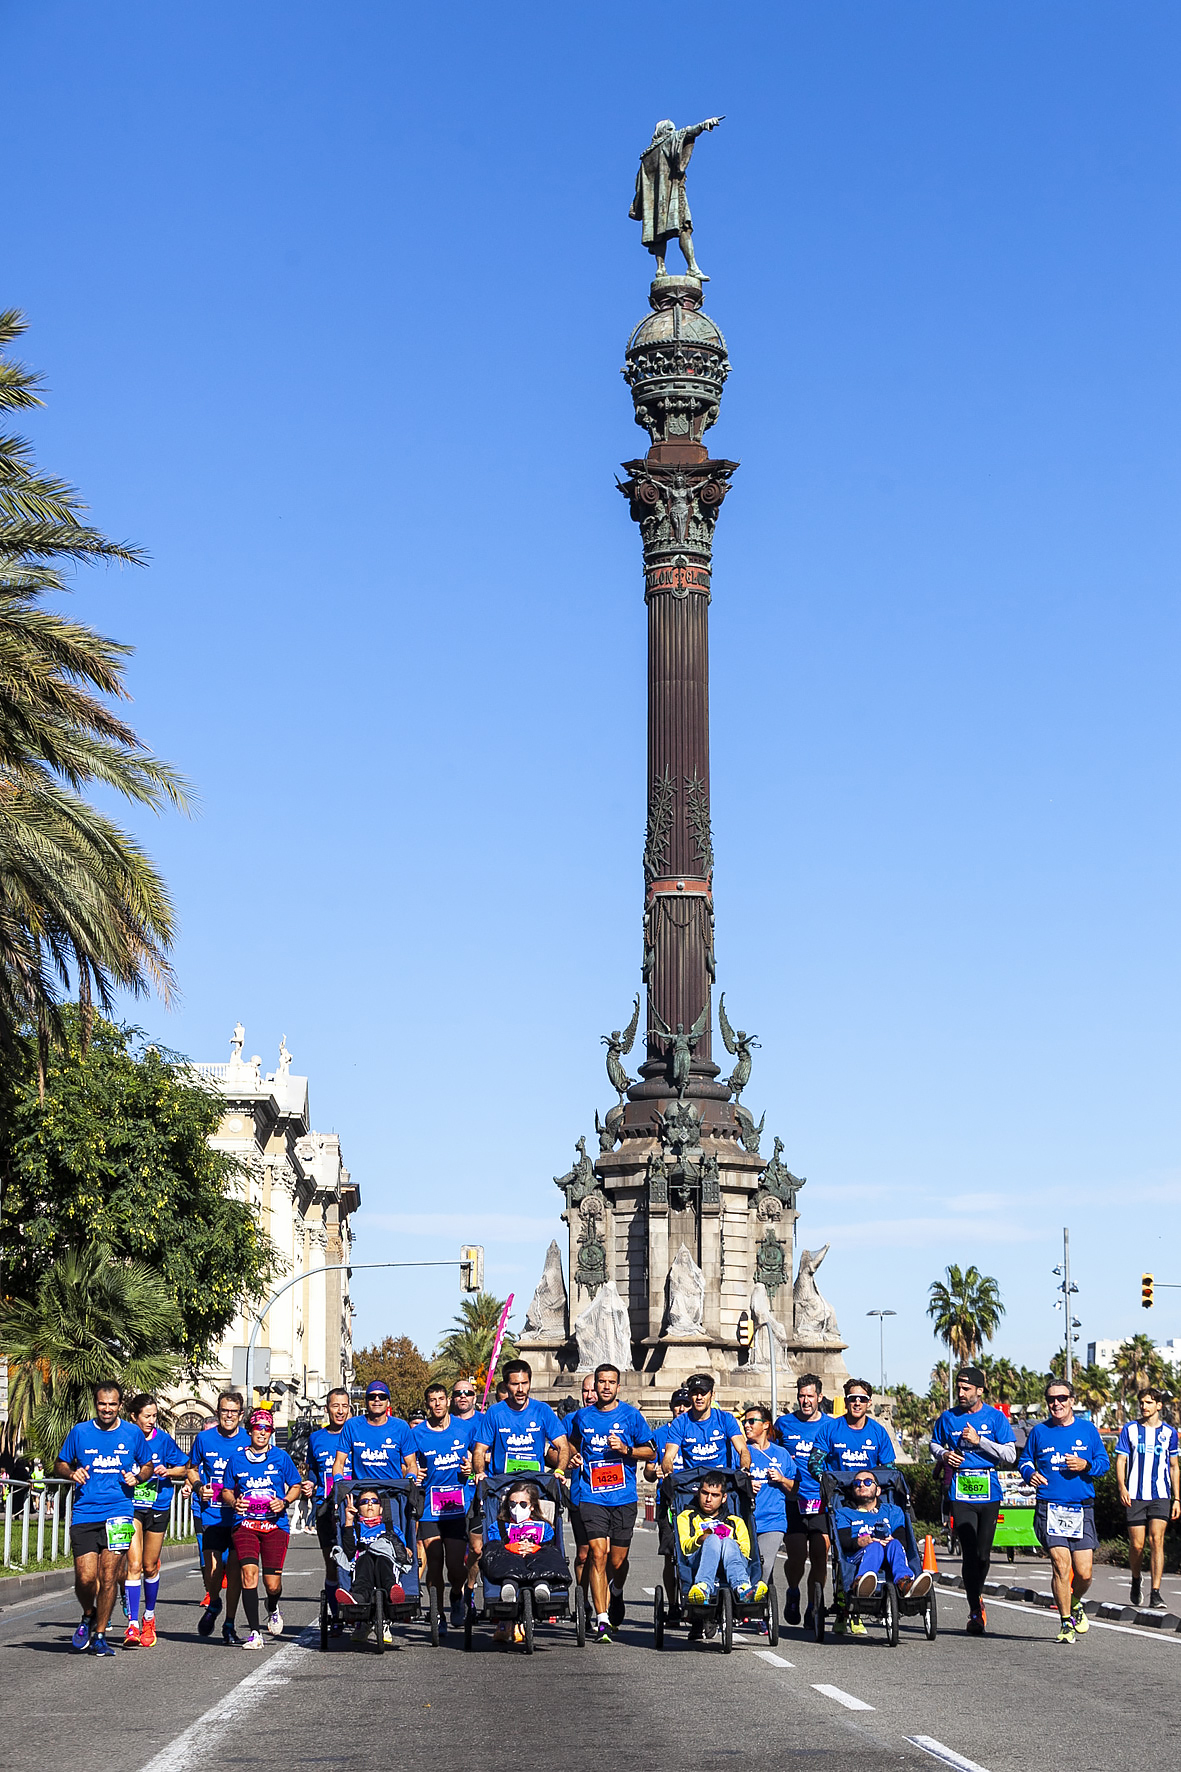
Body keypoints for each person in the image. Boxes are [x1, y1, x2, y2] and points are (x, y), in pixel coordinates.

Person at [54, 1379, 153, 1657]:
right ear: (95, 1404)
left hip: (119, 1512)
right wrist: (71, 1473)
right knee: (85, 1579)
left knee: (108, 1576)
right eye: (102, 1404)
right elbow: (61, 1462)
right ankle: (89, 1614)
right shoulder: (80, 1432)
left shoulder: (133, 1433)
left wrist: (139, 1476)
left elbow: (147, 1464)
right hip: (86, 1512)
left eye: (112, 1404)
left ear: (120, 1406)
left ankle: (99, 1635)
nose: (107, 1409)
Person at [1019, 1379, 1110, 1644]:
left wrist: (1086, 1464)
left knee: (1084, 1573)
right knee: (1061, 1565)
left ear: (1072, 1400)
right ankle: (1065, 1622)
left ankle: (1076, 1601)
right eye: (1051, 1399)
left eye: (1061, 1398)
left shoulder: (1088, 1430)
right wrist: (1030, 1473)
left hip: (1081, 1508)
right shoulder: (1039, 1432)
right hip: (1050, 1507)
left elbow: (1103, 1463)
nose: (1056, 1404)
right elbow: (1024, 1461)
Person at [568, 1364, 654, 1643]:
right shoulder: (582, 1416)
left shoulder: (631, 1415)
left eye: (610, 1382)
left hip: (623, 1497)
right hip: (592, 1496)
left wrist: (627, 1450)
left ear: (619, 1386)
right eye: (601, 1382)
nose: (605, 1387)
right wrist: (573, 1456)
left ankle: (616, 1591)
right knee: (598, 1554)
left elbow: (650, 1451)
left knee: (617, 1561)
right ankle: (602, 1619)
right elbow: (569, 1443)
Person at [929, 1365, 1016, 1636]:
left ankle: (976, 1593)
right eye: (958, 1388)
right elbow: (934, 1444)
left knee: (983, 1554)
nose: (961, 1393)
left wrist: (980, 1442)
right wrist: (944, 1455)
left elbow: (1010, 1455)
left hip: (989, 1491)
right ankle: (975, 1608)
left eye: (967, 1389)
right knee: (968, 1552)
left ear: (980, 1391)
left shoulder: (995, 1418)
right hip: (961, 1490)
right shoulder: (948, 1417)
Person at [224, 1408, 302, 1650]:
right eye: (258, 1428)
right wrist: (234, 1502)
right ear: (250, 1431)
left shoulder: (281, 1457)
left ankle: (272, 1605)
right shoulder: (236, 1460)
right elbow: (226, 1490)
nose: (262, 1433)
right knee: (249, 1574)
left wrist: (285, 1501)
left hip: (274, 1525)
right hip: (245, 1525)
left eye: (267, 1429)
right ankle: (255, 1633)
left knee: (272, 1584)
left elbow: (296, 1485)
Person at [409, 1382, 480, 1633]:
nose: (437, 1404)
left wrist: (472, 1465)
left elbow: (481, 1454)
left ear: (448, 1401)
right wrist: (414, 1473)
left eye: (441, 1399)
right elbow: (407, 1463)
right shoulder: (418, 1434)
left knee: (455, 1566)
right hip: (430, 1506)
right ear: (427, 1403)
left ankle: (457, 1594)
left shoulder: (465, 1428)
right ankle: (437, 1613)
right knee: (434, 1561)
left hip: (457, 1507)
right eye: (432, 1400)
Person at [122, 1394, 187, 1649]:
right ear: (134, 1417)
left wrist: (167, 1471)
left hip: (158, 1505)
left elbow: (184, 1467)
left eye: (154, 1416)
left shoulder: (163, 1440)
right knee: (134, 1564)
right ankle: (133, 1623)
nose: (151, 1421)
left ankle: (149, 1616)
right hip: (131, 1507)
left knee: (150, 1566)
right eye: (146, 1416)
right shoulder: (125, 1438)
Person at [187, 1390, 249, 1643]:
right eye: (225, 1411)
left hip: (238, 1516)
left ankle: (230, 1624)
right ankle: (214, 1604)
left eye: (234, 1412)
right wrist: (199, 1486)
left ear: (241, 1415)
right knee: (212, 1571)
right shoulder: (204, 1439)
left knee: (234, 1573)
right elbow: (191, 1469)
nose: (229, 1416)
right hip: (212, 1514)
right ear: (218, 1412)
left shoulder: (249, 1439)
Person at [1114, 1385, 1180, 1609]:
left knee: (1156, 1541)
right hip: (1135, 1495)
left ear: (1159, 1405)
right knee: (1137, 1545)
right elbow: (1121, 1460)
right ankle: (1135, 1579)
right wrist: (1122, 1487)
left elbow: (1174, 1467)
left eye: (1149, 1402)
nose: (1144, 1406)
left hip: (1160, 1495)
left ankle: (1156, 1592)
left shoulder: (1170, 1433)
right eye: (1141, 1402)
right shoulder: (1130, 1430)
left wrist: (1177, 1498)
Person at [774, 1373, 830, 1629]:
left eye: (810, 1396)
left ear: (819, 1396)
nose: (806, 1401)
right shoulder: (783, 1424)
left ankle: (814, 1605)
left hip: (821, 1500)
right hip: (793, 1498)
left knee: (820, 1554)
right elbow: (770, 1452)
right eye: (802, 1396)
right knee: (797, 1555)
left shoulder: (831, 1426)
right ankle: (794, 1591)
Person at [835, 1472, 933, 1604]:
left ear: (878, 1490)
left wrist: (891, 1539)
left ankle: (904, 1582)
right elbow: (842, 1540)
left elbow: (903, 1540)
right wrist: (860, 1541)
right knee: (874, 1546)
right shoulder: (844, 1513)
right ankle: (861, 1582)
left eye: (868, 1482)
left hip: (889, 1554)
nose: (862, 1485)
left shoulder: (893, 1511)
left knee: (896, 1544)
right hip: (858, 1556)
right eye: (857, 1483)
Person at [301, 1386, 351, 1634]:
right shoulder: (316, 1438)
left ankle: (361, 1611)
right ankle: (337, 1614)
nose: (340, 1411)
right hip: (325, 1508)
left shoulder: (358, 1433)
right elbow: (312, 1470)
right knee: (332, 1563)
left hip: (356, 1509)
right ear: (327, 1409)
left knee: (357, 1560)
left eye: (344, 1406)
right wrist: (310, 1483)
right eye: (335, 1406)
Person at [677, 1470, 767, 1608]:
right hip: (698, 1559)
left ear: (724, 1498)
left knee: (728, 1542)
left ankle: (742, 1587)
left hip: (732, 1559)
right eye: (705, 1493)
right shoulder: (686, 1516)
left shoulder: (735, 1521)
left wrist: (729, 1544)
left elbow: (746, 1550)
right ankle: (703, 1587)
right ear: (698, 1493)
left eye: (714, 1495)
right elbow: (684, 1547)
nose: (708, 1499)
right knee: (712, 1539)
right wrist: (700, 1539)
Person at [336, 1486, 414, 1645]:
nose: (369, 1504)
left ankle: (393, 1592)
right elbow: (350, 1552)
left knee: (382, 1559)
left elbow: (401, 1551)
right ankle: (358, 1597)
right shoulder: (357, 1528)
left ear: (381, 1508)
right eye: (364, 1502)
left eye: (374, 1501)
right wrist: (349, 1522)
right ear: (358, 1508)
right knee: (365, 1559)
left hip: (386, 1563)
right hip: (363, 1565)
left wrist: (408, 1551)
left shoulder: (391, 1528)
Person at [742, 1404, 798, 1608]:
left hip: (773, 1520)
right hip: (745, 1520)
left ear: (766, 1425)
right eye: (744, 1422)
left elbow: (794, 1489)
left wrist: (782, 1479)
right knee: (746, 1566)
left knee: (764, 1566)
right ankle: (761, 1608)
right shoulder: (741, 1451)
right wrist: (745, 1483)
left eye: (751, 1421)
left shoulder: (781, 1454)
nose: (746, 1425)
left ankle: (754, 1607)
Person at [479, 1480, 570, 1606]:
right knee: (499, 1555)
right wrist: (511, 1547)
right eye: (512, 1504)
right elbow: (494, 1545)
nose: (517, 1508)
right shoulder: (499, 1526)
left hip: (536, 1557)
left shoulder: (544, 1526)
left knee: (549, 1553)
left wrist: (533, 1547)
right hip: (509, 1560)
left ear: (531, 1506)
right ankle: (509, 1586)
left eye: (523, 1504)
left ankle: (542, 1585)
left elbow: (549, 1544)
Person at [473, 1360, 569, 1478]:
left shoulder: (542, 1410)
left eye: (524, 1383)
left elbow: (562, 1445)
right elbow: (479, 1450)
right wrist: (480, 1472)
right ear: (505, 1385)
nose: (520, 1389)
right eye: (515, 1384)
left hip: (534, 1483)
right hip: (503, 1483)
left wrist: (559, 1470)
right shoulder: (494, 1412)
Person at [645, 1387, 691, 1627]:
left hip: (694, 1503)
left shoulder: (696, 1432)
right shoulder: (660, 1434)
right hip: (668, 1503)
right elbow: (648, 1472)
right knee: (670, 1556)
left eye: (686, 1405)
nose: (681, 1409)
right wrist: (654, 1471)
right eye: (677, 1405)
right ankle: (673, 1604)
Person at [660, 1374, 749, 1473]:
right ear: (689, 1396)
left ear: (712, 1395)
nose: (699, 1397)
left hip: (721, 1480)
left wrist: (745, 1470)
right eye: (695, 1393)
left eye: (703, 1393)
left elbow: (743, 1450)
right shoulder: (680, 1423)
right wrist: (668, 1473)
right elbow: (668, 1456)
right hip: (692, 1482)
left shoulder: (726, 1419)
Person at [332, 1380, 415, 1484]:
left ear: (388, 1402)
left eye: (382, 1397)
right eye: (372, 1397)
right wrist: (339, 1481)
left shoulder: (401, 1427)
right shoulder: (352, 1425)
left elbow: (411, 1464)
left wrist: (411, 1479)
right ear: (366, 1402)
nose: (377, 1400)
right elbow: (339, 1463)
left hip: (392, 1492)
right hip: (362, 1493)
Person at [449, 1378, 485, 1603]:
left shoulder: (485, 1420)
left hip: (477, 1495)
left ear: (475, 1397)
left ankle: (470, 1587)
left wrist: (478, 1460)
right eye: (458, 1393)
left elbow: (499, 1453)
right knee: (452, 1556)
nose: (463, 1396)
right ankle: (456, 1591)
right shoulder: (446, 1422)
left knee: (477, 1550)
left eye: (468, 1393)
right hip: (450, 1497)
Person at [813, 1378, 896, 1474]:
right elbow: (814, 1462)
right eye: (853, 1399)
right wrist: (826, 1481)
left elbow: (890, 1468)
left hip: (867, 1487)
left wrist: (873, 1483)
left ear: (869, 1403)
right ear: (846, 1401)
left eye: (862, 1399)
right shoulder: (829, 1429)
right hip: (837, 1488)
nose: (857, 1403)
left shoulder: (879, 1432)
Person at [563, 1375, 599, 1589]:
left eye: (593, 1390)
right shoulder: (571, 1421)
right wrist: (567, 1461)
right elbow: (555, 1452)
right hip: (580, 1496)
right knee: (584, 1554)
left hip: (611, 1497)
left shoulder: (618, 1417)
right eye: (585, 1391)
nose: (589, 1395)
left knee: (609, 1556)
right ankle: (583, 1602)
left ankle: (612, 1597)